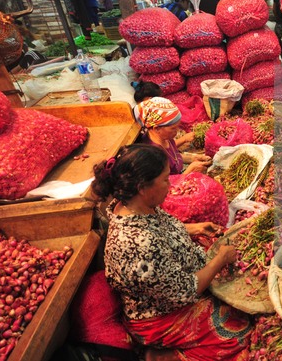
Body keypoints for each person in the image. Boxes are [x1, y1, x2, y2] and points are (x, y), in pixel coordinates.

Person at [91, 144, 252, 361]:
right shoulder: (139, 244)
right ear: (142, 187)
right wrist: (219, 261)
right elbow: (185, 290)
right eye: (165, 179)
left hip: (171, 279)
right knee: (239, 334)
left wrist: (194, 228)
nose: (170, 184)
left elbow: (159, 227)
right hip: (159, 316)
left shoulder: (134, 205)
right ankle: (163, 356)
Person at [133, 97, 211, 175]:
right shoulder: (152, 156)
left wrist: (193, 158)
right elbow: (164, 185)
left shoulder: (165, 138)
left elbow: (174, 158)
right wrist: (189, 171)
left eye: (178, 126)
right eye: (173, 128)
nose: (177, 131)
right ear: (156, 128)